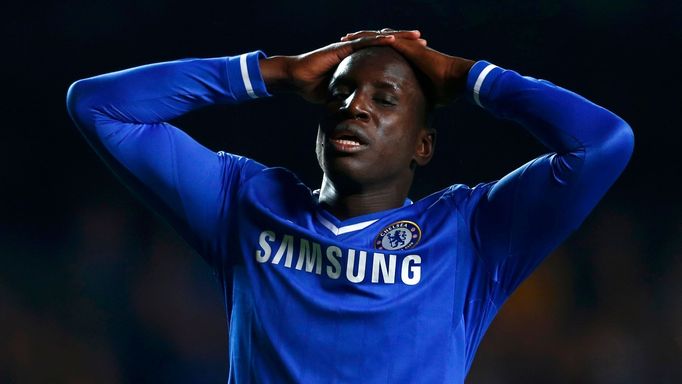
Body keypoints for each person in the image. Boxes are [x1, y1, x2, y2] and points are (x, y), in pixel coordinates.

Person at [66, 28, 634, 383]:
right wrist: (276, 72)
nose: (356, 106)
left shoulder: (468, 235)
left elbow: (602, 143)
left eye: (384, 99)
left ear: (423, 145)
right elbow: (99, 106)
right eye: (340, 92)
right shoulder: (244, 204)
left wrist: (465, 75)